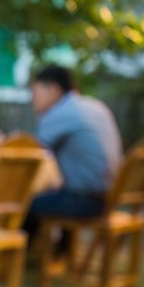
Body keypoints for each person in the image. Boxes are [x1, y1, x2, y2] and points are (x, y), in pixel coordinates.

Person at [26, 65, 122, 227]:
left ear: (53, 90)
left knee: (23, 204)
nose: (32, 99)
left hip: (84, 201)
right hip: (109, 198)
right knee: (52, 194)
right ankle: (59, 250)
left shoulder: (61, 112)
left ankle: (30, 252)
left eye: (35, 92)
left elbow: (30, 154)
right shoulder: (96, 106)